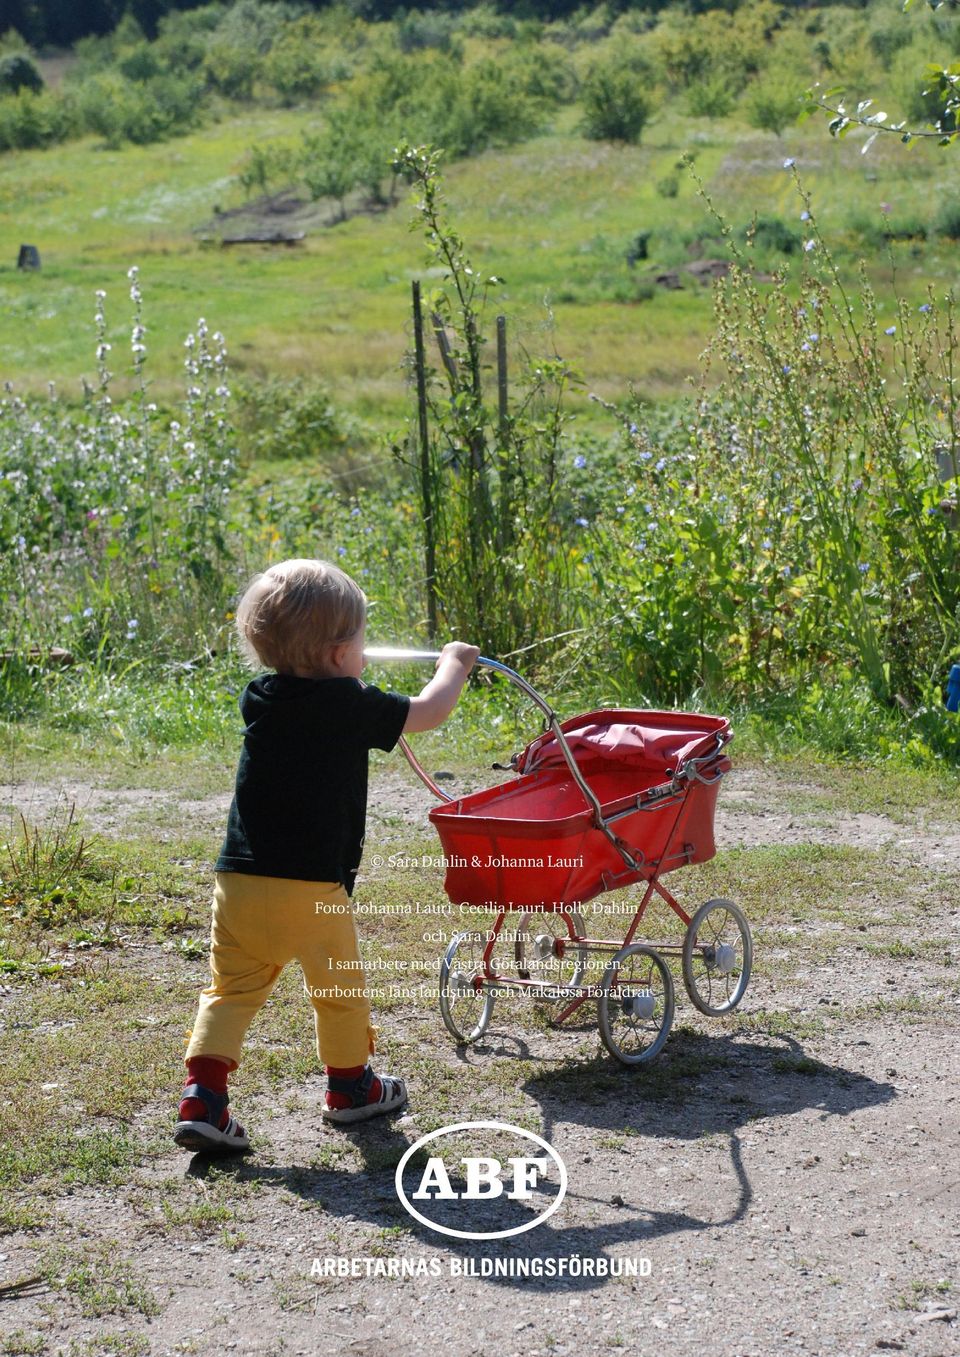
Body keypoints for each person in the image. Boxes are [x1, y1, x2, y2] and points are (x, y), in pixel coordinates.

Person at [173, 558, 479, 1151]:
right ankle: (350, 1087)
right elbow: (430, 712)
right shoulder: (348, 703)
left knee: (230, 990)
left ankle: (202, 1096)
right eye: (362, 639)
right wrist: (454, 665)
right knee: (339, 991)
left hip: (238, 881)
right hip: (313, 889)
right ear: (340, 654)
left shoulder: (260, 697)